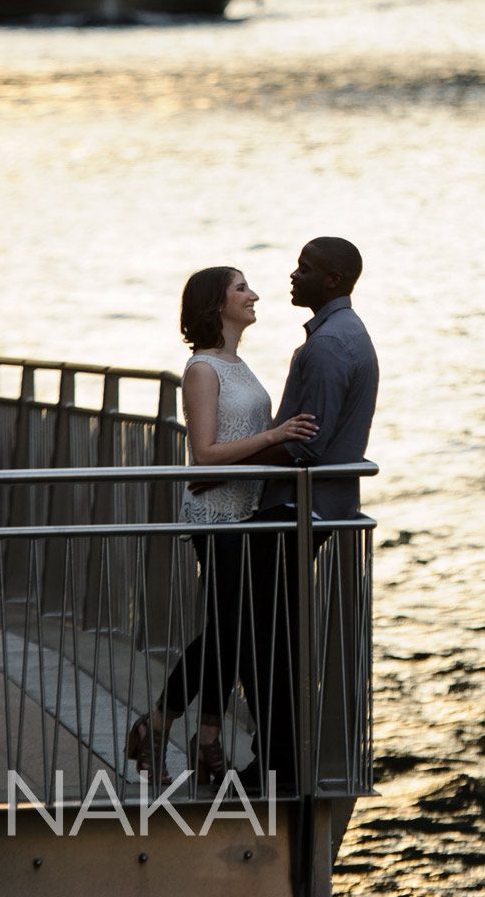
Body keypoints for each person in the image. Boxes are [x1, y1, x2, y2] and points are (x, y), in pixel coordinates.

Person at [127, 266, 315, 788]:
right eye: (241, 288)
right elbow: (205, 455)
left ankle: (197, 734)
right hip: (218, 517)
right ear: (217, 304)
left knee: (230, 633)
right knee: (229, 632)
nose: (253, 295)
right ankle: (165, 725)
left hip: (247, 513)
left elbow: (246, 442)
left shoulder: (238, 363)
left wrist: (278, 447)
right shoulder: (203, 370)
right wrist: (276, 435)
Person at [244, 237, 379, 795]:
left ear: (331, 280)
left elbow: (306, 444)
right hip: (314, 508)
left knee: (251, 629)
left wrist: (230, 466)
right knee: (263, 631)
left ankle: (275, 763)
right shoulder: (345, 336)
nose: (292, 275)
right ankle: (272, 758)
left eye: (305, 268)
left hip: (297, 509)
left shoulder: (327, 348)